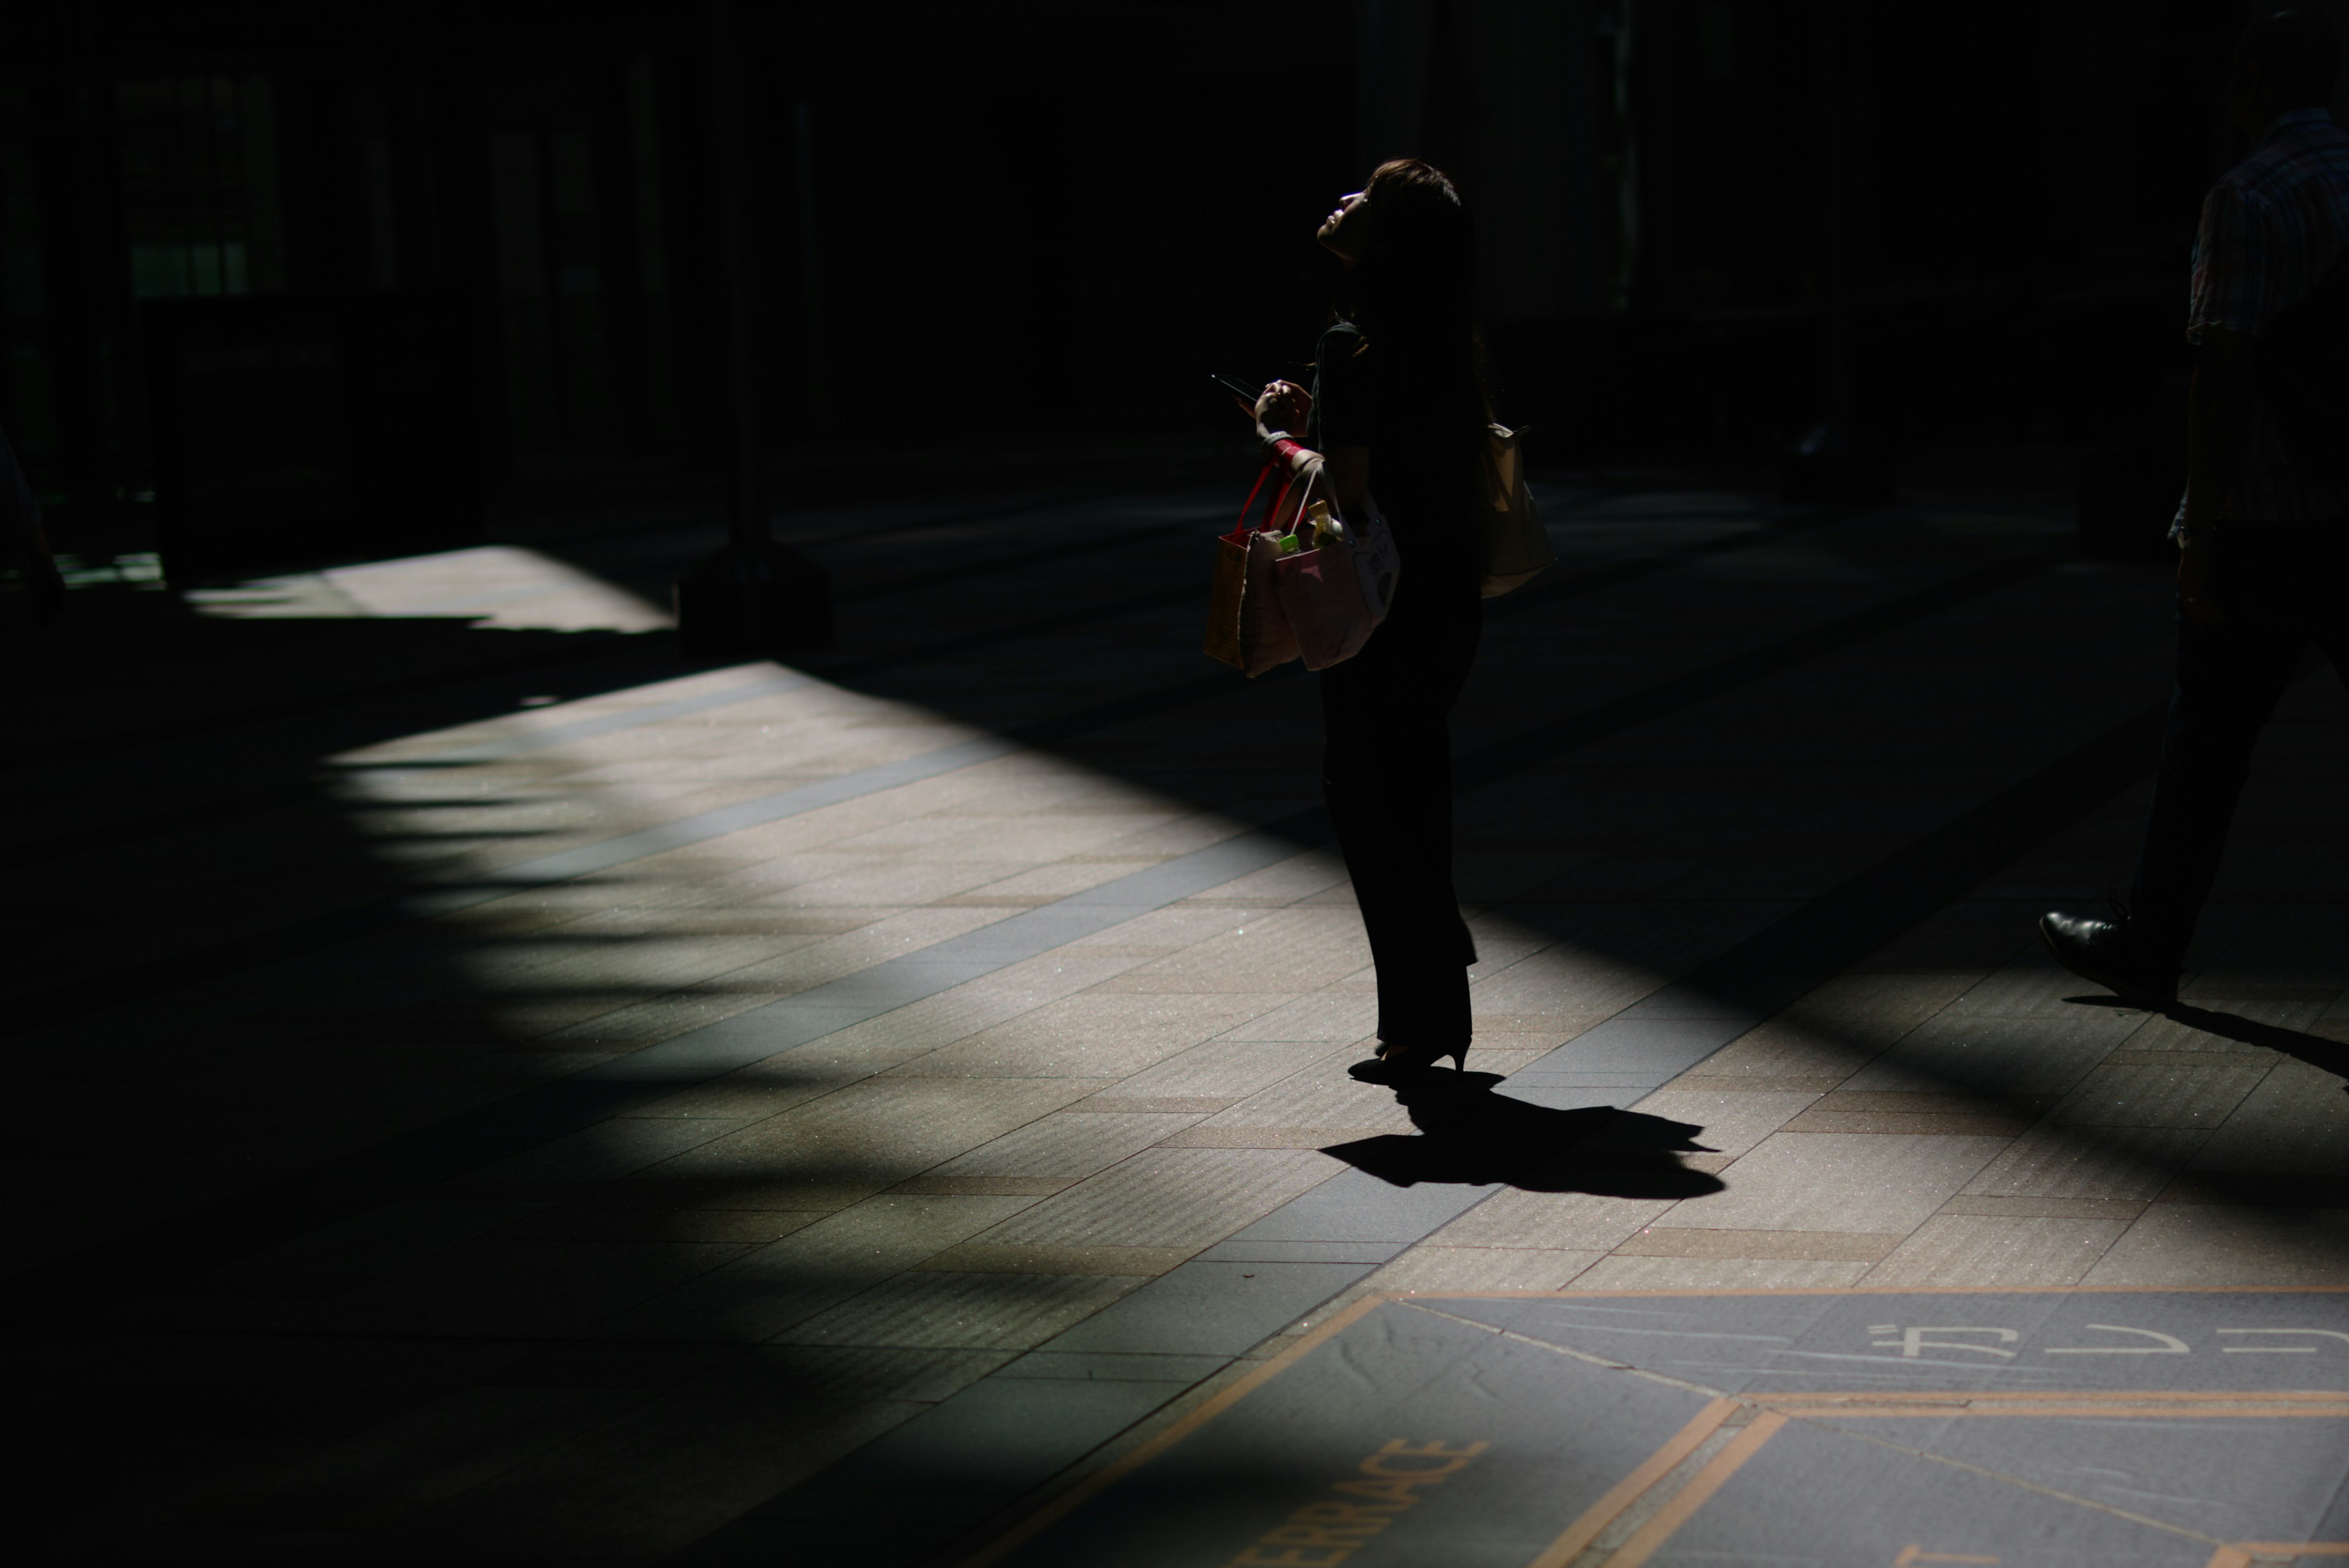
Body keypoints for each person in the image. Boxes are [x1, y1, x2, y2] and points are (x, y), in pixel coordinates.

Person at [2041, 8, 2349, 1001]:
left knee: (2206, 747)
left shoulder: (2247, 194)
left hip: (2266, 514)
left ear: (2250, 84)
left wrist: (2199, 527)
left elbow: (2223, 366)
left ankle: (2151, 940)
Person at [1253, 158, 1489, 1080]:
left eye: (1365, 199)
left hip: (1378, 603)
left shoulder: (1352, 340)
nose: (1341, 202)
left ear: (1383, 238)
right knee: (1414, 786)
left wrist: (1276, 433)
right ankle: (1428, 1008)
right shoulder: (1446, 335)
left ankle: (1424, 1006)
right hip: (1445, 590)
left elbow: (1345, 491)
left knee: (1365, 793)